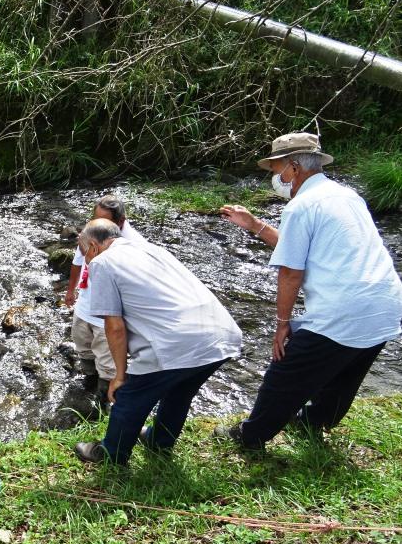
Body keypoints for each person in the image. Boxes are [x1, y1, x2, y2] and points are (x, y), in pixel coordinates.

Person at [216, 132, 402, 451]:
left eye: (276, 171)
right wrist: (254, 224)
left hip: (347, 307)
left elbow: (290, 272)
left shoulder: (301, 207)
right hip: (386, 302)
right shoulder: (346, 195)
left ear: (293, 169)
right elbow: (297, 249)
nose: (275, 178)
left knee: (286, 367)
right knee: (348, 367)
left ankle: (251, 436)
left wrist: (282, 323)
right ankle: (315, 422)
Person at [72, 219, 242, 465]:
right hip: (220, 334)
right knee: (180, 391)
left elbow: (114, 326)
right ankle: (160, 442)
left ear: (93, 247)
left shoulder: (102, 263)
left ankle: (111, 454)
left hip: (177, 341)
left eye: (82, 250)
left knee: (129, 396)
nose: (84, 258)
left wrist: (120, 375)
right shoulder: (151, 248)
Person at [64, 195, 147, 405]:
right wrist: (70, 291)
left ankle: (103, 403)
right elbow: (77, 262)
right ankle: (89, 382)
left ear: (120, 222)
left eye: (105, 220)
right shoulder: (93, 232)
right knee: (84, 349)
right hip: (84, 308)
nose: (96, 223)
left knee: (108, 367)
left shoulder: (134, 247)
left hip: (107, 320)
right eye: (95, 218)